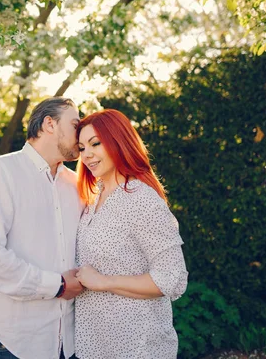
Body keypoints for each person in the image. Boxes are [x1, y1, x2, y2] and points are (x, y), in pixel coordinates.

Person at [0, 97, 85, 359]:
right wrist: (57, 285)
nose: (82, 133)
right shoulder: (0, 173)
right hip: (18, 341)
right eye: (76, 124)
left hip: (70, 338)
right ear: (49, 124)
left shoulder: (75, 183)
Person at [74, 109, 188, 359]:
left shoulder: (141, 198)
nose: (87, 154)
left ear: (119, 141)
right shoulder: (93, 200)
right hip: (94, 344)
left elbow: (172, 278)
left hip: (138, 346)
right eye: (82, 148)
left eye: (95, 143)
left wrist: (105, 282)